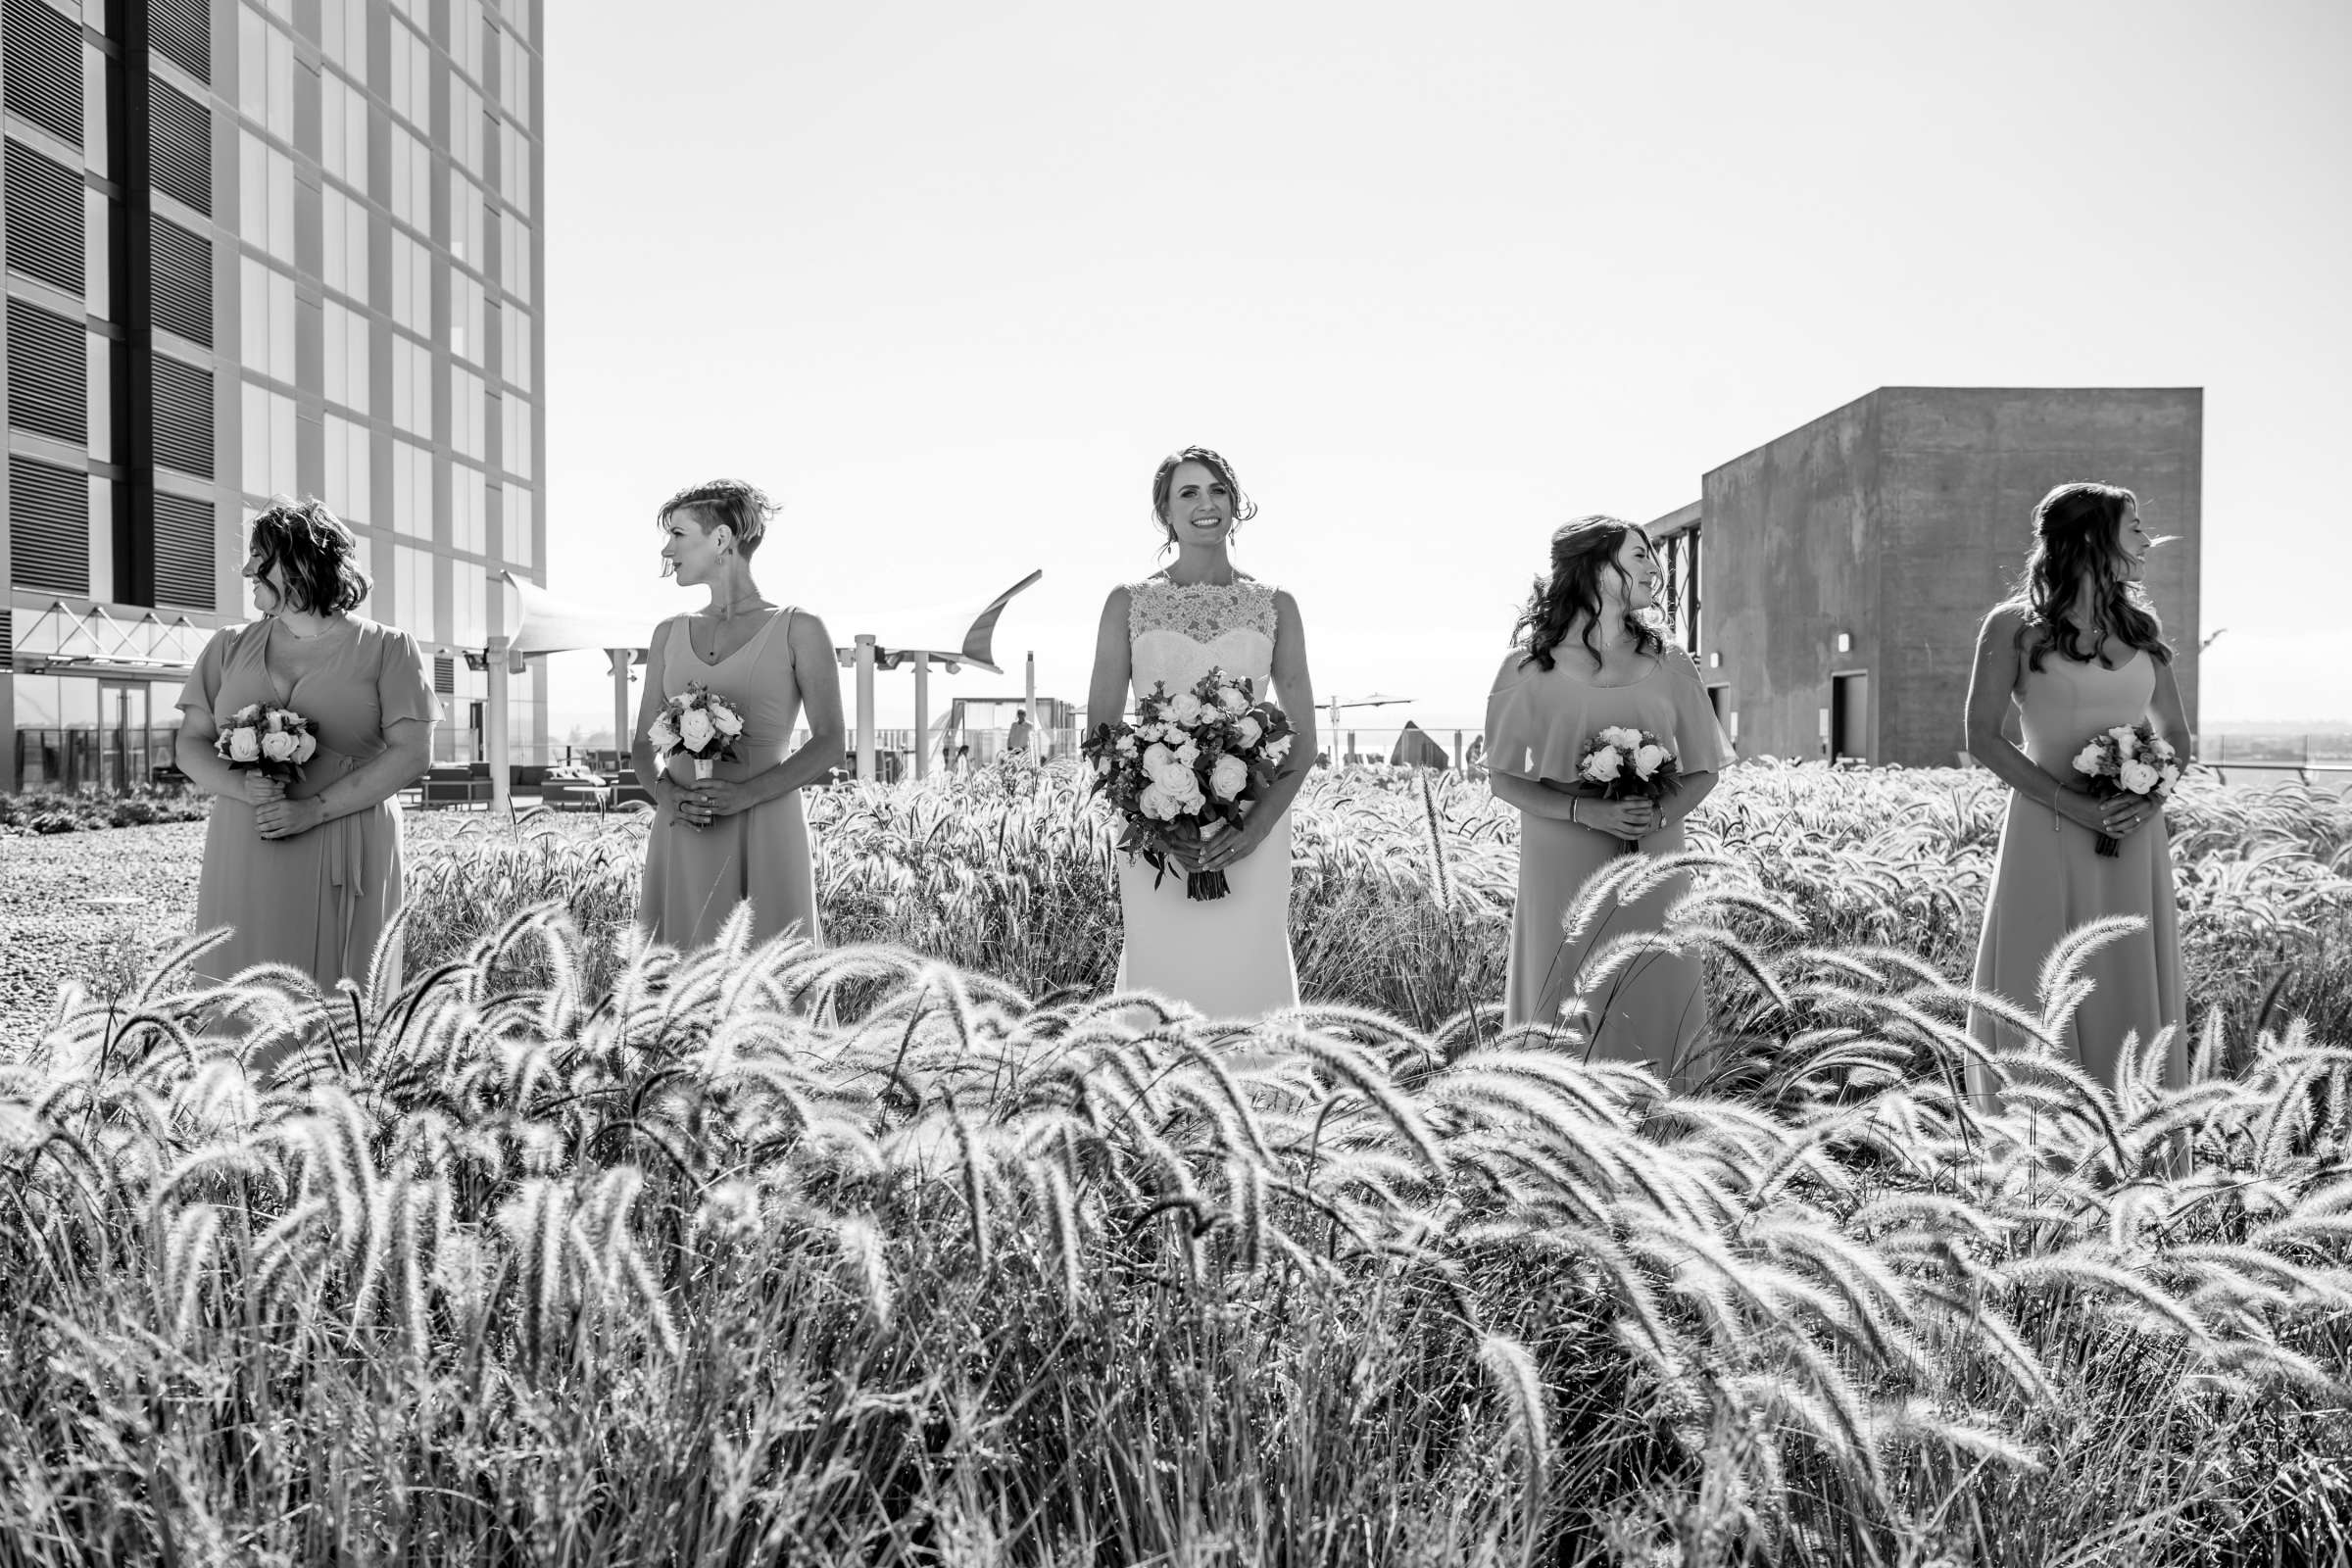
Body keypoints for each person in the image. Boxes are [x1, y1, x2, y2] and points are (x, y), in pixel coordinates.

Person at [1964, 482, 2189, 1104]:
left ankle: (2139, 1123)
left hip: (2134, 832)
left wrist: (2150, 797)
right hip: (2048, 828)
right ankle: (2037, 1137)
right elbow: (1982, 737)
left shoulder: (2142, 627)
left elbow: (2177, 733)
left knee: (2124, 968)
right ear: (2093, 537)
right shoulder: (2012, 626)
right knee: (2042, 972)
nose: (2146, 539)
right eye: (2135, 525)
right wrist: (2075, 804)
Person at [1484, 515, 1723, 1081]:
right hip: (1560, 859)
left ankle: (1668, 1115)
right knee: (1562, 985)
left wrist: (1656, 812)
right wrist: (1584, 809)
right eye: (1637, 555)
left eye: (1650, 556)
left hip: (1651, 858)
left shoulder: (1674, 664)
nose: (1653, 568)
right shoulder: (1526, 669)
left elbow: (1705, 769)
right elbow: (1502, 777)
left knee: (1656, 970)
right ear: (1593, 565)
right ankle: (1553, 1108)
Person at [173, 499, 436, 1009]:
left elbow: (412, 755)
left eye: (259, 556)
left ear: (299, 561)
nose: (247, 569)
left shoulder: (389, 648)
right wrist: (242, 786)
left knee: (337, 1000)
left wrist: (312, 810)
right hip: (246, 839)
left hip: (347, 838)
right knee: (237, 984)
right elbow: (190, 743)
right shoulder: (227, 646)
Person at [1086, 446, 1317, 1020]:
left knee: (1248, 965)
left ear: (1236, 504)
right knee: (1161, 970)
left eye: (1217, 490)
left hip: (1254, 826)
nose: (1205, 504)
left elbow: (1305, 740)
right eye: (1187, 492)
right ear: (1165, 511)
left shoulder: (1275, 604)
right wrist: (1155, 827)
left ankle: (1265, 1099)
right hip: (1152, 833)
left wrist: (1257, 829)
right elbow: (1099, 734)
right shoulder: (1128, 604)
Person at [634, 479, 845, 952]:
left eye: (678, 534)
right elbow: (643, 747)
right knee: (679, 987)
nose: (668, 550)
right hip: (684, 829)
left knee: (774, 977)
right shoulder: (667, 634)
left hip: (767, 830)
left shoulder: (800, 628)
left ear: (722, 540)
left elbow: (831, 742)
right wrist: (667, 794)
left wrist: (744, 796)